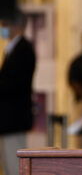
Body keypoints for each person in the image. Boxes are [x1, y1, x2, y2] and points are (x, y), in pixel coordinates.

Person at [0, 12, 36, 175]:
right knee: (8, 164)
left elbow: (15, 83)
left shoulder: (23, 49)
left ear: (16, 25)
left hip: (14, 118)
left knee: (14, 166)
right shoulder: (13, 48)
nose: (3, 28)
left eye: (5, 24)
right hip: (8, 119)